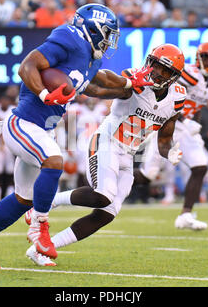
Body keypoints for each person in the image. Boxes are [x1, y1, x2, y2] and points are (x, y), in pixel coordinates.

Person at [0, 3, 152, 269]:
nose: (109, 41)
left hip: (40, 129)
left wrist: (130, 85)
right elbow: (27, 65)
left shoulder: (90, 57)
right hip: (23, 123)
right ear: (93, 28)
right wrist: (43, 93)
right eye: (107, 33)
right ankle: (39, 227)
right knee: (53, 160)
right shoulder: (69, 37)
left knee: (23, 198)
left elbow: (97, 84)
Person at [24, 44, 186, 266]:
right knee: (103, 195)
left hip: (127, 154)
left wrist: (171, 152)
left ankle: (39, 249)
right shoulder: (135, 80)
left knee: (107, 213)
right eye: (156, 66)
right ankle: (47, 203)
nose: (158, 72)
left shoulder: (177, 98)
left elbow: (164, 140)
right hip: (106, 142)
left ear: (174, 76)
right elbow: (105, 85)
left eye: (165, 70)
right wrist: (97, 78)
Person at [136, 42, 208, 230]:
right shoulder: (190, 74)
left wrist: (195, 123)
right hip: (170, 122)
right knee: (148, 175)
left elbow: (198, 106)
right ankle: (109, 179)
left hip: (186, 128)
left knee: (200, 167)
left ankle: (185, 214)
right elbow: (170, 93)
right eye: (207, 58)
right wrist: (183, 118)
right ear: (199, 57)